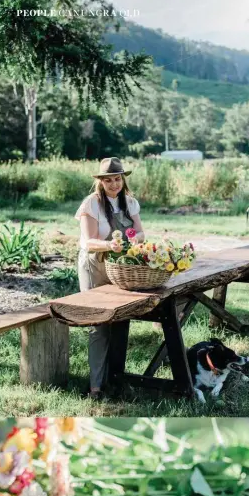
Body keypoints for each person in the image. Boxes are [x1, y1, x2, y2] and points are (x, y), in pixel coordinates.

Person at [75, 157, 145, 398]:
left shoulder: (130, 202)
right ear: (101, 182)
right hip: (94, 265)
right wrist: (109, 245)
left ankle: (115, 379)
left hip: (120, 267)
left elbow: (138, 231)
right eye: (108, 180)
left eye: (117, 178)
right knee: (99, 325)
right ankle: (95, 387)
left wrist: (134, 238)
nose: (114, 184)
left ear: (123, 179)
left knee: (121, 319)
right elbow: (87, 241)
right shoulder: (91, 204)